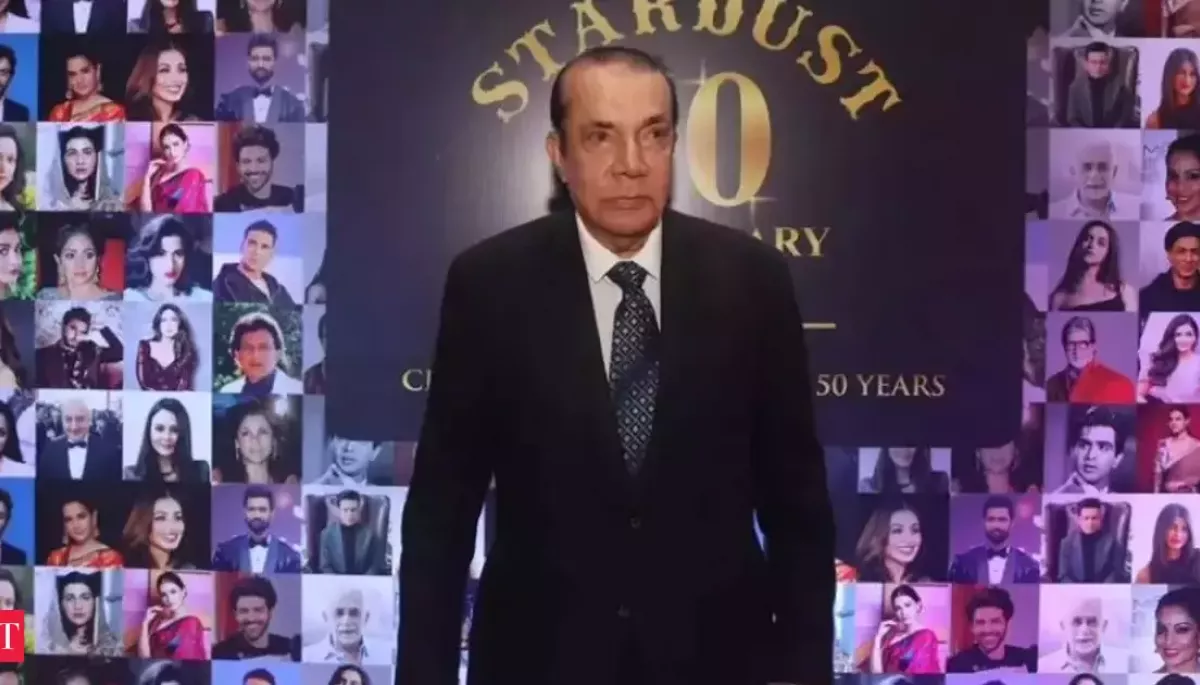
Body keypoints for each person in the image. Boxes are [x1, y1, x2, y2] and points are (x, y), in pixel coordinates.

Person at [397, 46, 832, 685]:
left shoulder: (752, 281)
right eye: (601, 136)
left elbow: (798, 511)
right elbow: (443, 510)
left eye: (652, 134)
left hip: (715, 663)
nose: (632, 163)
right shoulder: (489, 285)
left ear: (674, 144)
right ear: (558, 155)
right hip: (537, 664)